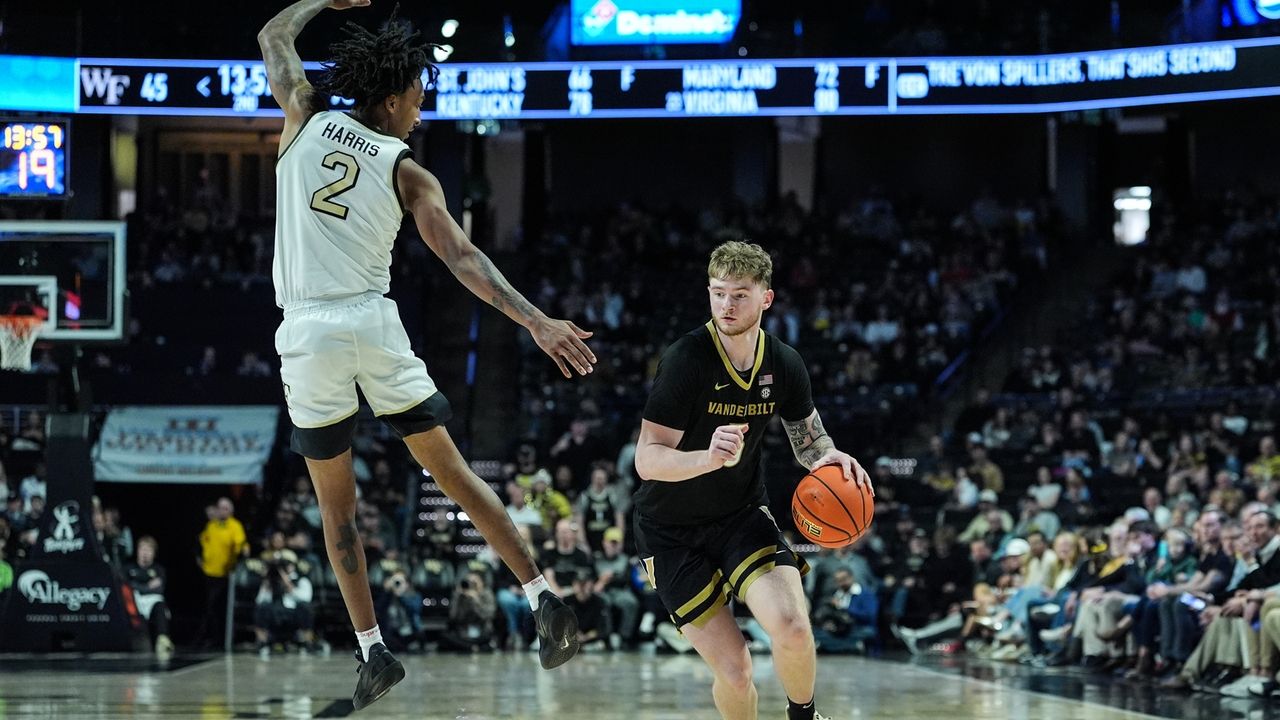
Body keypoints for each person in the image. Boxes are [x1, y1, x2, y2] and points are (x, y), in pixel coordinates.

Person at [258, 0, 593, 707]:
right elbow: (462, 257)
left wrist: (321, 0)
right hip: (373, 323)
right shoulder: (408, 171)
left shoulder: (303, 113)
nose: (423, 104)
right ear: (389, 99)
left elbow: (273, 35)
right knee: (454, 473)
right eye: (418, 93)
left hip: (309, 333)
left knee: (337, 508)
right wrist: (533, 322)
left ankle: (373, 652)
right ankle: (543, 598)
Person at [633, 241, 873, 720]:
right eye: (718, 293)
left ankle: (804, 716)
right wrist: (707, 457)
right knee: (738, 672)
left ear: (766, 298)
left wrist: (830, 457)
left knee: (792, 627)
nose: (727, 305)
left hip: (740, 514)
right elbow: (647, 459)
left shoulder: (783, 363)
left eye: (740, 294)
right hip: (670, 531)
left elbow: (810, 443)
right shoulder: (686, 360)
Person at [196, 497, 247, 649]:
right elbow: (203, 542)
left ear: (231, 511)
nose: (222, 510)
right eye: (220, 507)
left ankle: (218, 640)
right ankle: (210, 638)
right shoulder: (211, 525)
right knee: (209, 608)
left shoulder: (235, 526)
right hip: (209, 573)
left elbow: (240, 545)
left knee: (217, 608)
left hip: (225, 575)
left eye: (225, 508)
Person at [124, 536, 174, 658]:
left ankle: (162, 639)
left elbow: (159, 589)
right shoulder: (129, 569)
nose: (145, 553)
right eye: (142, 549)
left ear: (153, 553)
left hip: (152, 601)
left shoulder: (159, 570)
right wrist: (147, 586)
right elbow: (127, 586)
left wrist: (137, 585)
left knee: (160, 605)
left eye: (148, 550)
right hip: (136, 601)